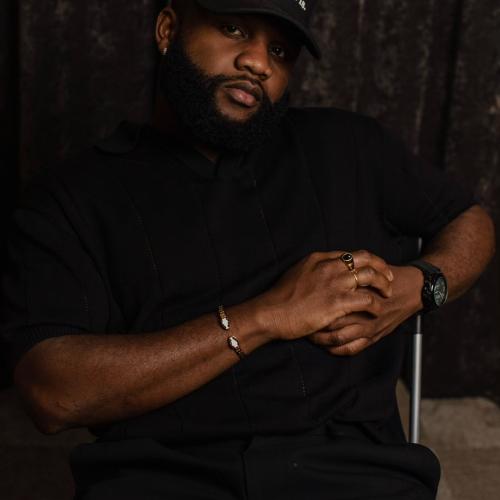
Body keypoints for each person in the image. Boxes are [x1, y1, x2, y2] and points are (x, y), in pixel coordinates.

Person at [0, 1, 495, 499]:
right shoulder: (72, 198)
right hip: (161, 477)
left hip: (351, 472)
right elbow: (52, 394)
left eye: (280, 51)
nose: (258, 62)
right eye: (233, 28)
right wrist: (266, 316)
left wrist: (422, 286)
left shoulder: (347, 146)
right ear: (168, 29)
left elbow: (469, 220)